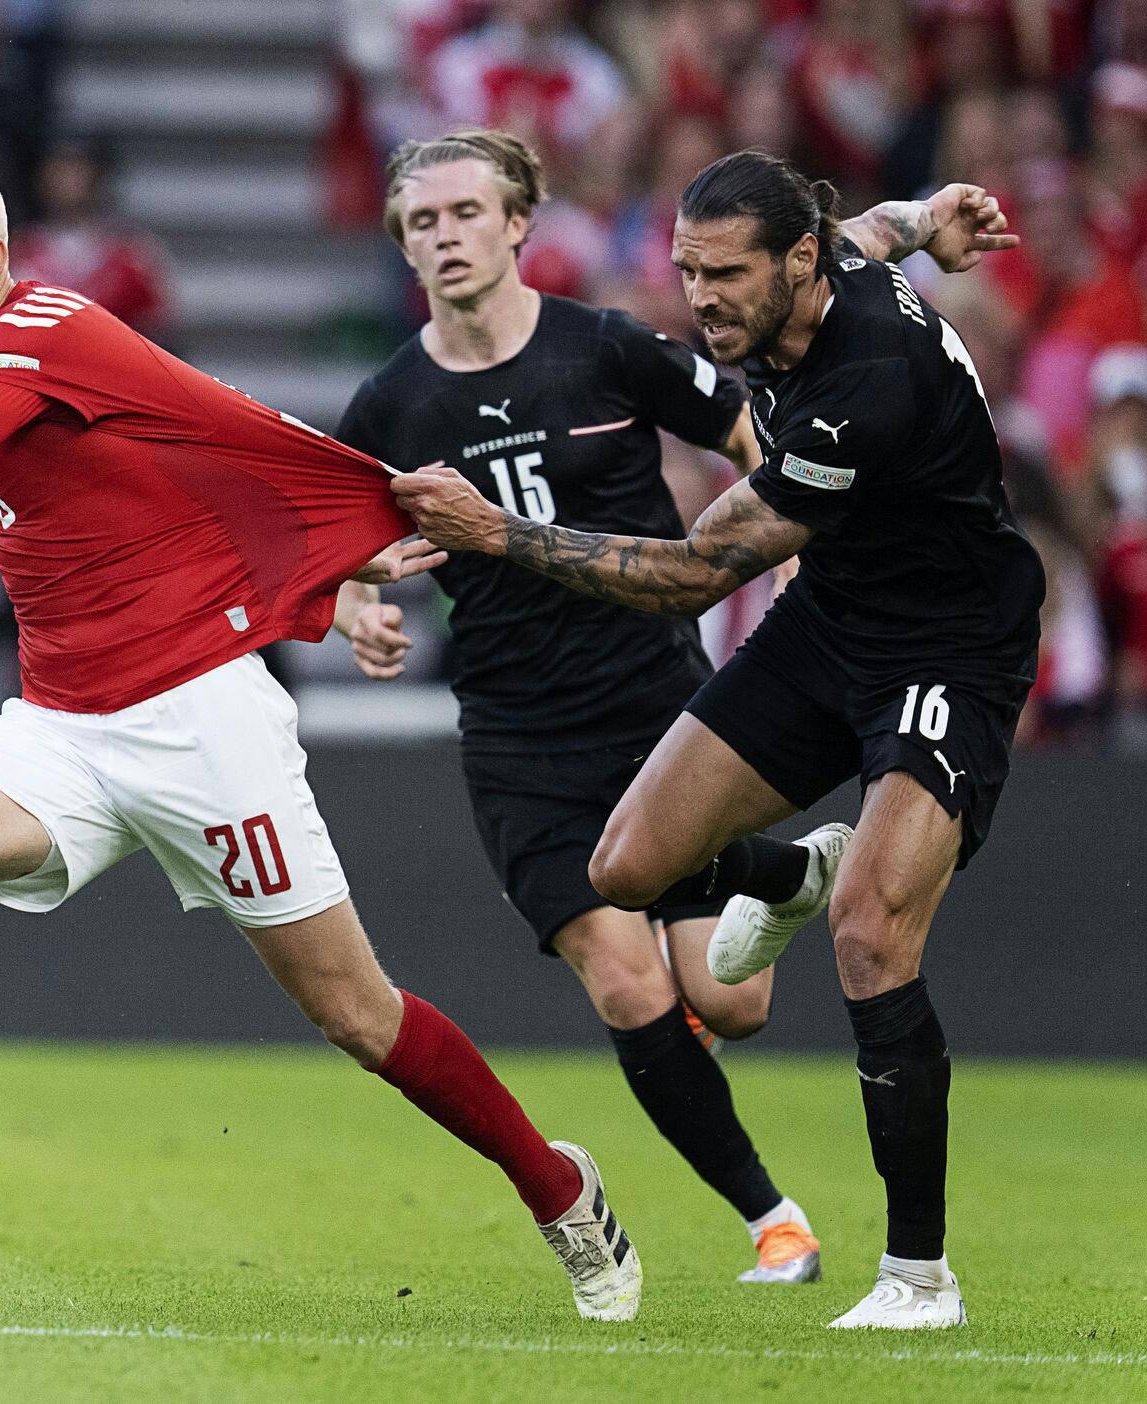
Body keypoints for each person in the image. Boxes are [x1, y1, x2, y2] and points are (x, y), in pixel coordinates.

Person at [0, 153, 642, 1322]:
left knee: (356, 1015)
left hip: (198, 727)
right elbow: (181, 466)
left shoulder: (40, 329)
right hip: (66, 729)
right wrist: (331, 580)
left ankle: (559, 1190)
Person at [392, 150, 1034, 1331]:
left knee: (871, 939)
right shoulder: (828, 258)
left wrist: (496, 535)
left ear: (794, 264)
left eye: (725, 276)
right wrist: (934, 220)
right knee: (624, 867)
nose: (703, 301)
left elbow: (693, 574)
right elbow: (877, 229)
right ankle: (791, 866)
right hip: (832, 621)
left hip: (948, 646)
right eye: (688, 272)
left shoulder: (869, 381)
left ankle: (918, 1278)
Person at [333, 127, 816, 1286]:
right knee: (625, 977)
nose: (444, 236)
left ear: (516, 225)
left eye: (463, 213)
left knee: (731, 1002)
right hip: (516, 740)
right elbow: (336, 545)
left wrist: (784, 538)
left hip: (661, 710)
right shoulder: (388, 406)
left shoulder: (605, 348)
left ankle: (785, 877)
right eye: (421, 222)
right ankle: (774, 1223)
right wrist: (357, 606)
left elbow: (747, 427)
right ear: (405, 245)